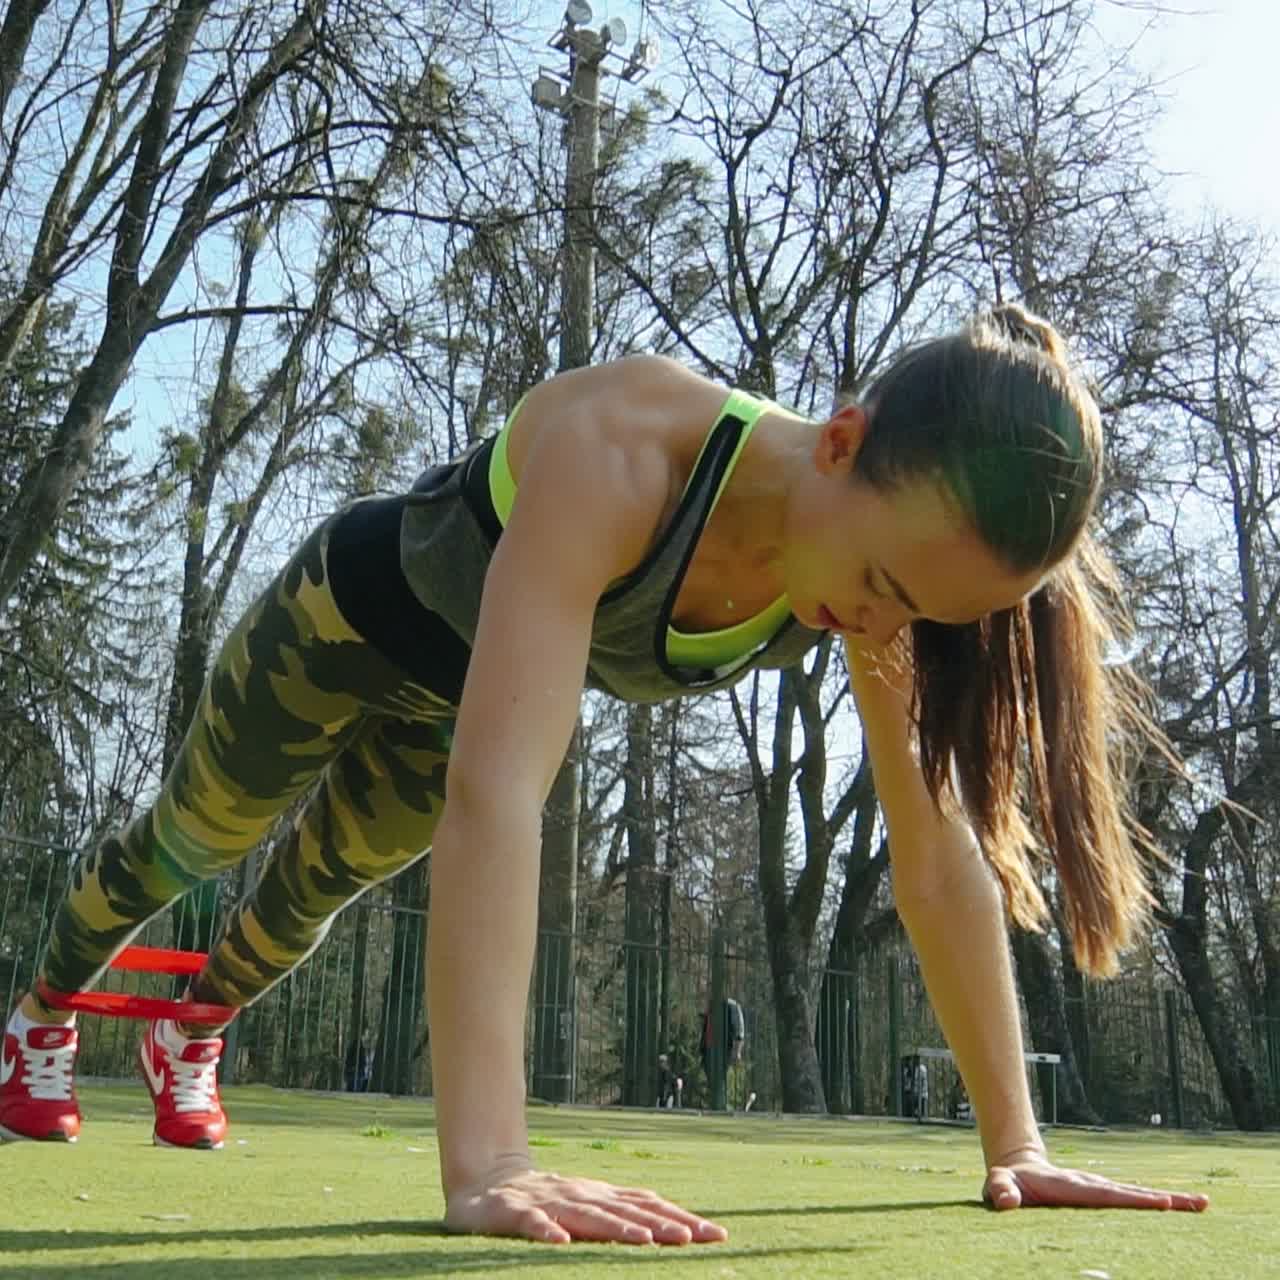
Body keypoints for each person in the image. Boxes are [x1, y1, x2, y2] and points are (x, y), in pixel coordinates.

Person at [0, 306, 1210, 1244]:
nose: (877, 623)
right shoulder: (625, 442)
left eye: (914, 611)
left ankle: (188, 1032)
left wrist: (1018, 1138)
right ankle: (43, 1010)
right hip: (354, 615)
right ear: (839, 443)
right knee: (203, 832)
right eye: (889, 588)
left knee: (316, 892)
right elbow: (502, 790)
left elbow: (935, 859)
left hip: (461, 701)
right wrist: (488, 1163)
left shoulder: (868, 572)